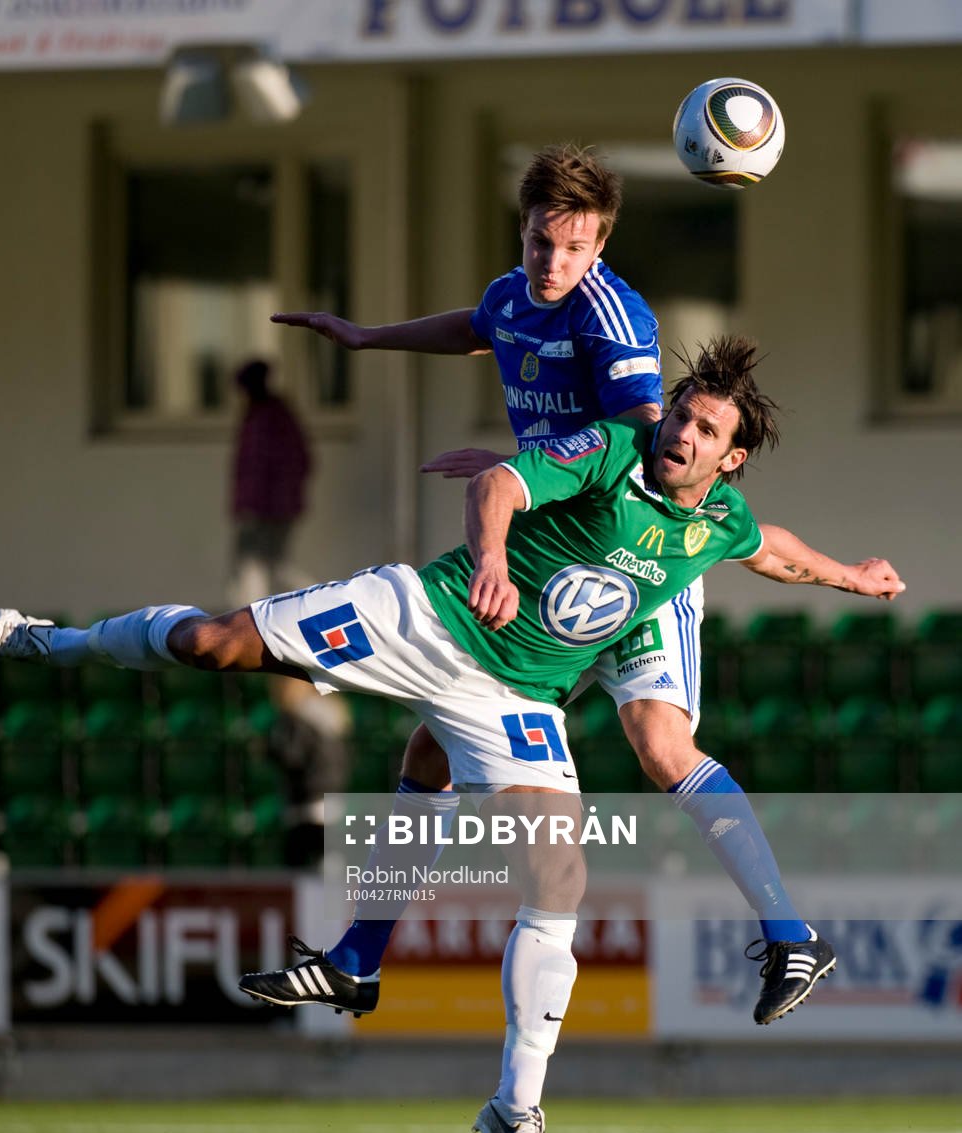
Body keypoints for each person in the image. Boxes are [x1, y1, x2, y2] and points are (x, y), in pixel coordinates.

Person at [0, 337, 905, 1133]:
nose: (683, 435)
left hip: (513, 700)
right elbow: (497, 486)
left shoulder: (719, 525)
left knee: (561, 873)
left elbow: (771, 549)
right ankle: (55, 643)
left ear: (729, 458)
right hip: (428, 616)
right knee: (216, 645)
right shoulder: (612, 451)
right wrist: (492, 554)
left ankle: (514, 1106)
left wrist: (852, 576)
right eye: (681, 416)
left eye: (706, 430)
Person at [270, 142, 832, 998]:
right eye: (542, 241)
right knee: (435, 747)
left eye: (575, 248)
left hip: (633, 558)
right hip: (554, 555)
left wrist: (520, 468)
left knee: (660, 744)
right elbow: (477, 326)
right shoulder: (515, 291)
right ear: (525, 228)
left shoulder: (611, 318)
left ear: (600, 247)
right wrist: (367, 337)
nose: (554, 261)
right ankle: (356, 959)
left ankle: (790, 935)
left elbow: (652, 429)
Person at [229, 358, 311, 605]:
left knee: (261, 567)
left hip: (265, 510)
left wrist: (250, 506)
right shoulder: (273, 416)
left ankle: (322, 603)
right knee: (271, 566)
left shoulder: (266, 420)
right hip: (273, 507)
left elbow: (260, 468)